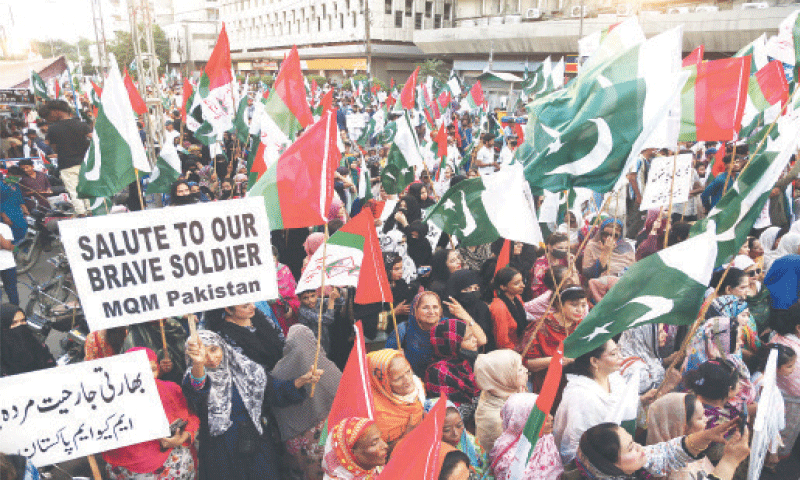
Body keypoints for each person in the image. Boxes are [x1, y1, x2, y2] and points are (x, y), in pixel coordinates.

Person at [183, 330, 321, 480]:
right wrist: (198, 364)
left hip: (255, 443)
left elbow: (273, 391)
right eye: (203, 354)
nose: (210, 357)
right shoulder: (194, 377)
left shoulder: (245, 369)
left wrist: (302, 381)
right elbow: (197, 390)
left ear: (222, 346)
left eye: (214, 349)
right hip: (220, 452)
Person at [103, 347, 200, 480]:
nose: (146, 377)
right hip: (128, 472)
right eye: (138, 371)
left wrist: (182, 437)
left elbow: (192, 418)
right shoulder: (111, 400)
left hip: (172, 466)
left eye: (152, 370)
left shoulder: (171, 390)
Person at [554, 339, 656, 463]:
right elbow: (579, 443)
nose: (621, 357)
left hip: (616, 452)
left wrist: (641, 401)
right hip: (594, 461)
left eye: (618, 351)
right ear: (594, 361)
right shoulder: (581, 395)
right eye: (613, 354)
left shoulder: (614, 378)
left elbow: (619, 409)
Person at [272, 325, 342, 480]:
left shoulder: (278, 372)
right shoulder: (324, 365)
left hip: (295, 440)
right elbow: (340, 390)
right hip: (324, 433)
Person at [573, 420, 749, 480]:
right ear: (608, 466)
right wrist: (730, 461)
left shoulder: (621, 469)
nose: (640, 448)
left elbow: (664, 453)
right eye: (630, 449)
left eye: (633, 441)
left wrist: (706, 436)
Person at [521, 286, 588, 394]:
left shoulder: (582, 327)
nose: (580, 310)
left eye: (583, 305)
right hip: (547, 386)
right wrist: (556, 360)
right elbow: (526, 363)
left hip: (576, 387)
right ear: (559, 304)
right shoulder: (541, 327)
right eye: (574, 305)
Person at [490, 392, 562, 480]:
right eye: (542, 416)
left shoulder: (545, 438)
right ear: (523, 422)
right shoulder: (510, 459)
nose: (551, 418)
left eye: (548, 412)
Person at [645, 393, 716, 479]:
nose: (706, 419)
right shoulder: (675, 472)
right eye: (700, 418)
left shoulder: (692, 452)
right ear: (681, 427)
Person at [40, 100, 91, 215]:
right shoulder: (81, 124)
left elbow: (53, 147)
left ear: (57, 112)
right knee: (87, 189)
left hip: (66, 164)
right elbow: (92, 138)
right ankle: (91, 210)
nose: (48, 118)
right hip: (85, 162)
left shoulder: (53, 129)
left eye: (49, 114)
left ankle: (81, 213)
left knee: (73, 191)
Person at [366, 349, 425, 450]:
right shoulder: (375, 414)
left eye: (408, 371)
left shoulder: (418, 388)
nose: (408, 380)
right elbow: (378, 453)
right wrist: (407, 435)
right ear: (382, 383)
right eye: (398, 378)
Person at [425, 318, 481, 419]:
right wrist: (481, 401)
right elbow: (452, 413)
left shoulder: (466, 360)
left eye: (473, 335)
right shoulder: (438, 371)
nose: (475, 339)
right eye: (468, 338)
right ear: (453, 344)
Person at [474, 349, 527, 455]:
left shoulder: (505, 389)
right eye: (520, 369)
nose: (525, 370)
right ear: (503, 377)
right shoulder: (495, 419)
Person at [205, 303, 285, 371]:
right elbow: (247, 368)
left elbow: (280, 336)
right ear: (229, 310)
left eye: (252, 302)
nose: (253, 306)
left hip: (282, 362)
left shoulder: (256, 314)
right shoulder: (225, 335)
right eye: (245, 306)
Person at [430, 401, 489, 477]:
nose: (456, 433)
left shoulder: (472, 443)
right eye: (447, 430)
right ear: (433, 429)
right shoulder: (430, 458)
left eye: (459, 425)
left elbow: (487, 470)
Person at [583, 218, 635, 303]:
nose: (609, 238)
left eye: (614, 235)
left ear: (620, 236)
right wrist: (605, 253)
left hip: (622, 286)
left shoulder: (626, 247)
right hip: (599, 288)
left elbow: (632, 269)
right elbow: (588, 273)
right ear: (600, 232)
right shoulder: (592, 245)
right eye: (605, 234)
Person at [122, 319, 188, 385]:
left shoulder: (174, 326)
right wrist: (160, 372)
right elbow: (136, 379)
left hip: (178, 385)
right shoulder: (135, 336)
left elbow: (184, 359)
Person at [321, 417, 388, 480]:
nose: (385, 445)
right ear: (351, 453)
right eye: (374, 443)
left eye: (381, 438)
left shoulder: (378, 471)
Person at [446, 269, 495, 352]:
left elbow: (484, 339)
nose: (473, 292)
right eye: (467, 289)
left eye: (476, 288)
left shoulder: (481, 307)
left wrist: (465, 316)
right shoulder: (448, 309)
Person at [0, 304, 55, 376]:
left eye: (22, 321)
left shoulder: (35, 342)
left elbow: (50, 363)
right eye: (14, 323)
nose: (20, 325)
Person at [489, 267, 526, 350]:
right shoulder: (499, 307)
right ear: (503, 287)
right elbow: (502, 343)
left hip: (520, 344)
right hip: (510, 351)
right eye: (517, 283)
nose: (523, 285)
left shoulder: (517, 298)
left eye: (522, 281)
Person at [297, 287, 341, 356]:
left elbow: (340, 303)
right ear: (300, 299)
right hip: (312, 343)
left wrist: (337, 296)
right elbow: (327, 319)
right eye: (305, 298)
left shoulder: (318, 301)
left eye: (313, 296)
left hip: (325, 339)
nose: (310, 300)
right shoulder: (303, 311)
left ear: (317, 294)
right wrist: (331, 300)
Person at [530, 233, 570, 299]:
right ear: (549, 246)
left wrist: (572, 265)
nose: (564, 251)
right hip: (547, 298)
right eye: (560, 248)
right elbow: (536, 288)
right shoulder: (541, 264)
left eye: (566, 248)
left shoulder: (565, 260)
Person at [0, 222, 18, 305]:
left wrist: (10, 247)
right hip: (8, 264)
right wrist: (10, 247)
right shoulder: (4, 227)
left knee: (12, 292)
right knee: (11, 291)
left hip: (8, 264)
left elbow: (8, 246)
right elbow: (10, 247)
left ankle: (15, 314)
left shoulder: (4, 227)